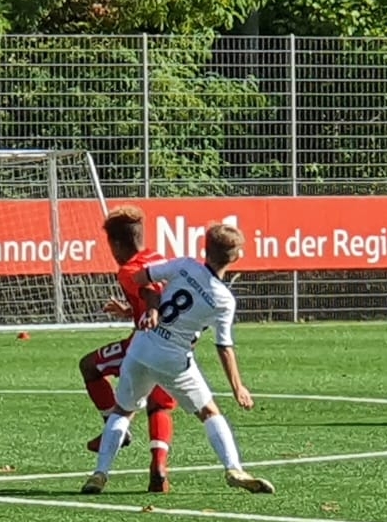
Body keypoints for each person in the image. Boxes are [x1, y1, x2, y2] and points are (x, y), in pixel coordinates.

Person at [81, 223, 271, 495]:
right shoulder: (224, 300)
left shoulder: (184, 265)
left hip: (141, 346)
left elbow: (142, 279)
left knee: (122, 411)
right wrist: (238, 387)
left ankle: (100, 474)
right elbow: (224, 347)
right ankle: (233, 468)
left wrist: (147, 309)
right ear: (237, 257)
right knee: (209, 413)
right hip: (174, 359)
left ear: (205, 248)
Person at [78, 206, 178, 493]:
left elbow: (150, 292)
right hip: (175, 344)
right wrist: (129, 310)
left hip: (143, 343)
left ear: (117, 244)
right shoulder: (158, 258)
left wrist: (150, 310)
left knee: (89, 366)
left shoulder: (129, 270)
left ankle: (112, 429)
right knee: (159, 404)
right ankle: (159, 467)